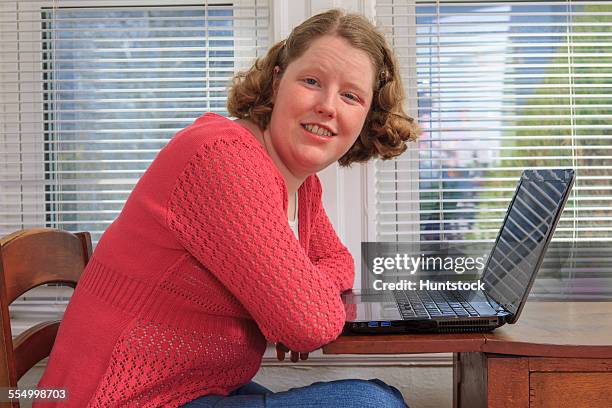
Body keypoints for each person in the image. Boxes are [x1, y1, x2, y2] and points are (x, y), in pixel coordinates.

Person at [34, 8, 419, 408]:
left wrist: (301, 293)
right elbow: (311, 324)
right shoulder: (223, 159)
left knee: (376, 395)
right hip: (121, 399)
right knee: (372, 402)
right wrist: (295, 303)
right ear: (277, 81)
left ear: (367, 115)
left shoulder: (302, 187)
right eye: (311, 81)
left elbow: (337, 263)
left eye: (350, 95)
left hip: (194, 387)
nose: (327, 105)